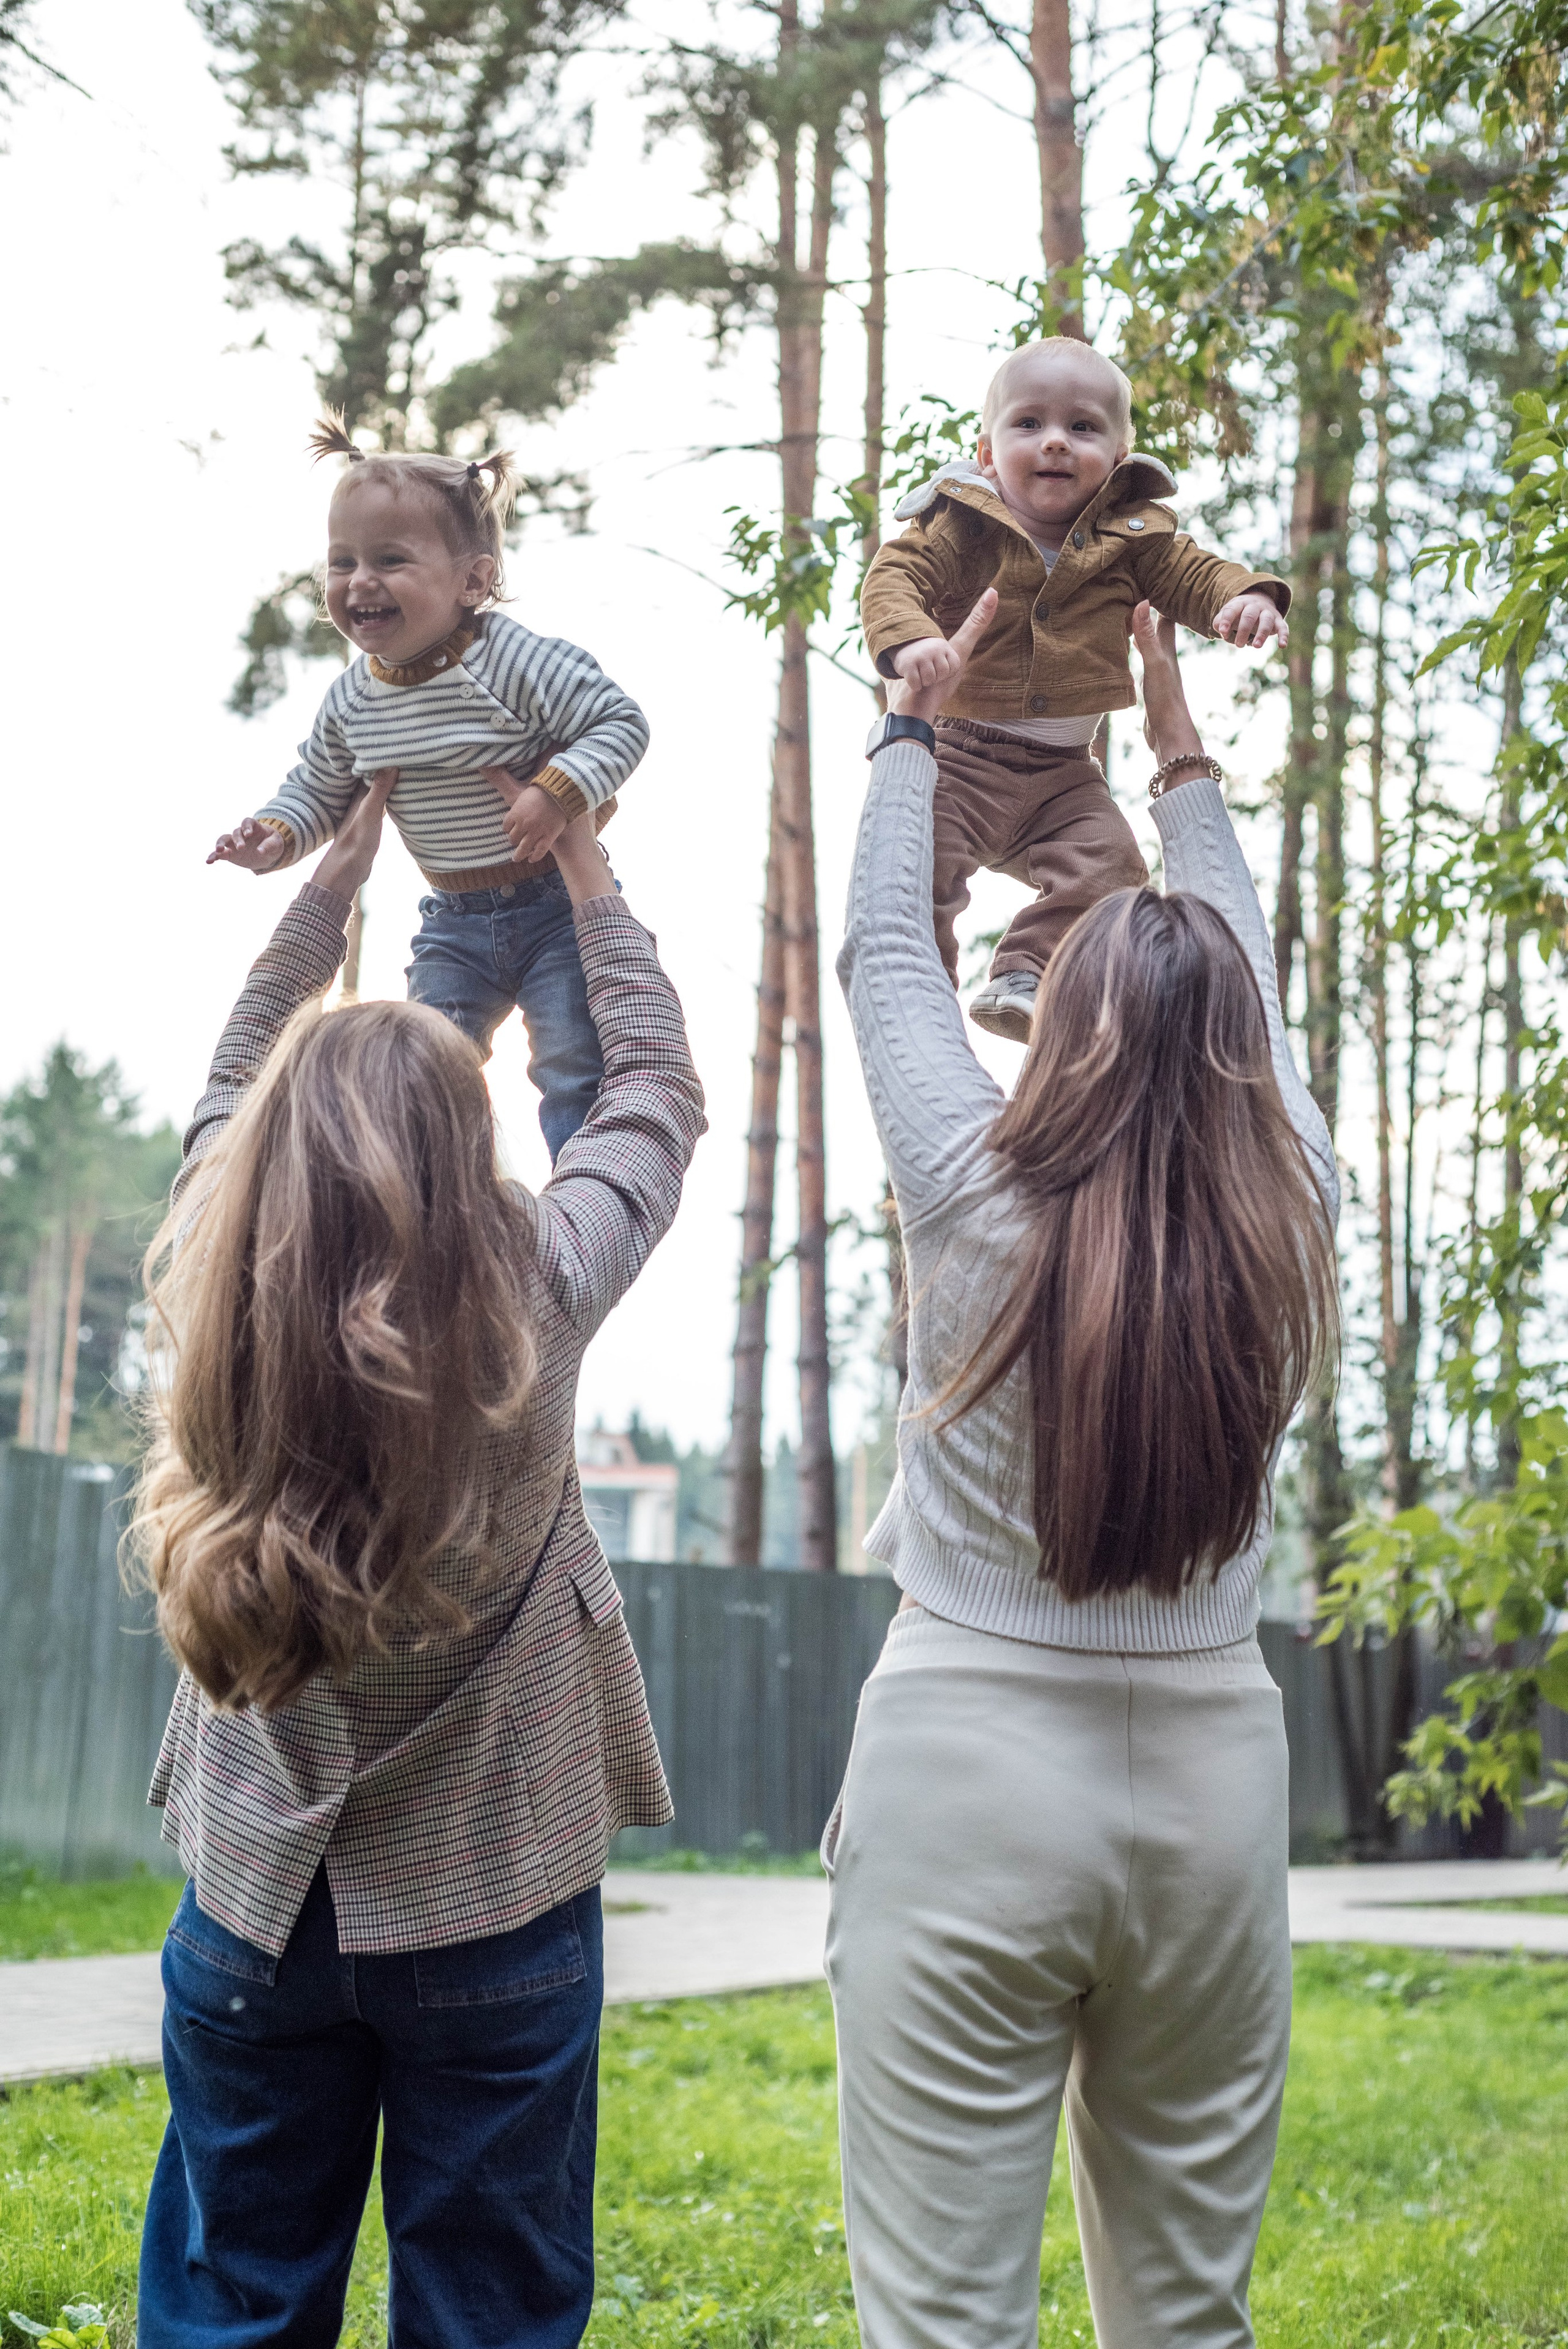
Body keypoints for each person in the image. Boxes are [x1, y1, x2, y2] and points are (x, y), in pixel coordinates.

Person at [827, 589, 1340, 2349]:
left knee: (946, 2323)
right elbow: (1246, 978)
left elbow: (890, 958)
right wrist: (1179, 742)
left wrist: (917, 724)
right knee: (1189, 2317)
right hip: (1212, 1788)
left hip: (962, 1766)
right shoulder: (1299, 1209)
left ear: (1061, 1029)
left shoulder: (974, 1185)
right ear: (1244, 1066)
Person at [133, 771, 704, 2348]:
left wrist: (328, 889)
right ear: (471, 1155)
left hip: (258, 1905)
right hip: (494, 1901)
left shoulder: (212, 1259)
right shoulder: (536, 1291)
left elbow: (240, 1066)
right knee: (490, 2316)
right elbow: (650, 1097)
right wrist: (590, 881)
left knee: (231, 2299)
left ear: (255, 1162)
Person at [209, 419, 650, 1160]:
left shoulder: (515, 662)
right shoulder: (353, 701)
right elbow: (318, 790)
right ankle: (444, 1201)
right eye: (342, 562)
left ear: (473, 581)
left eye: (390, 559)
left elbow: (620, 721)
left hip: (555, 905)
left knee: (574, 1062)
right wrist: (274, 836)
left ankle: (577, 1202)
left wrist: (555, 792)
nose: (360, 582)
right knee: (426, 1069)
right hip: (453, 920)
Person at [859, 339, 1291, 1040]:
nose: (1055, 442)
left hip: (1064, 777)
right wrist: (910, 640)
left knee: (1115, 876)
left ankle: (1026, 974)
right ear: (988, 454)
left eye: (1082, 427)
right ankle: (922, 1003)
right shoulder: (959, 521)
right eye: (1028, 424)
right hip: (958, 758)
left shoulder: (1135, 537)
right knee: (918, 872)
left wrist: (1242, 599)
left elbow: (1194, 575)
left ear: (1118, 461)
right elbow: (892, 578)